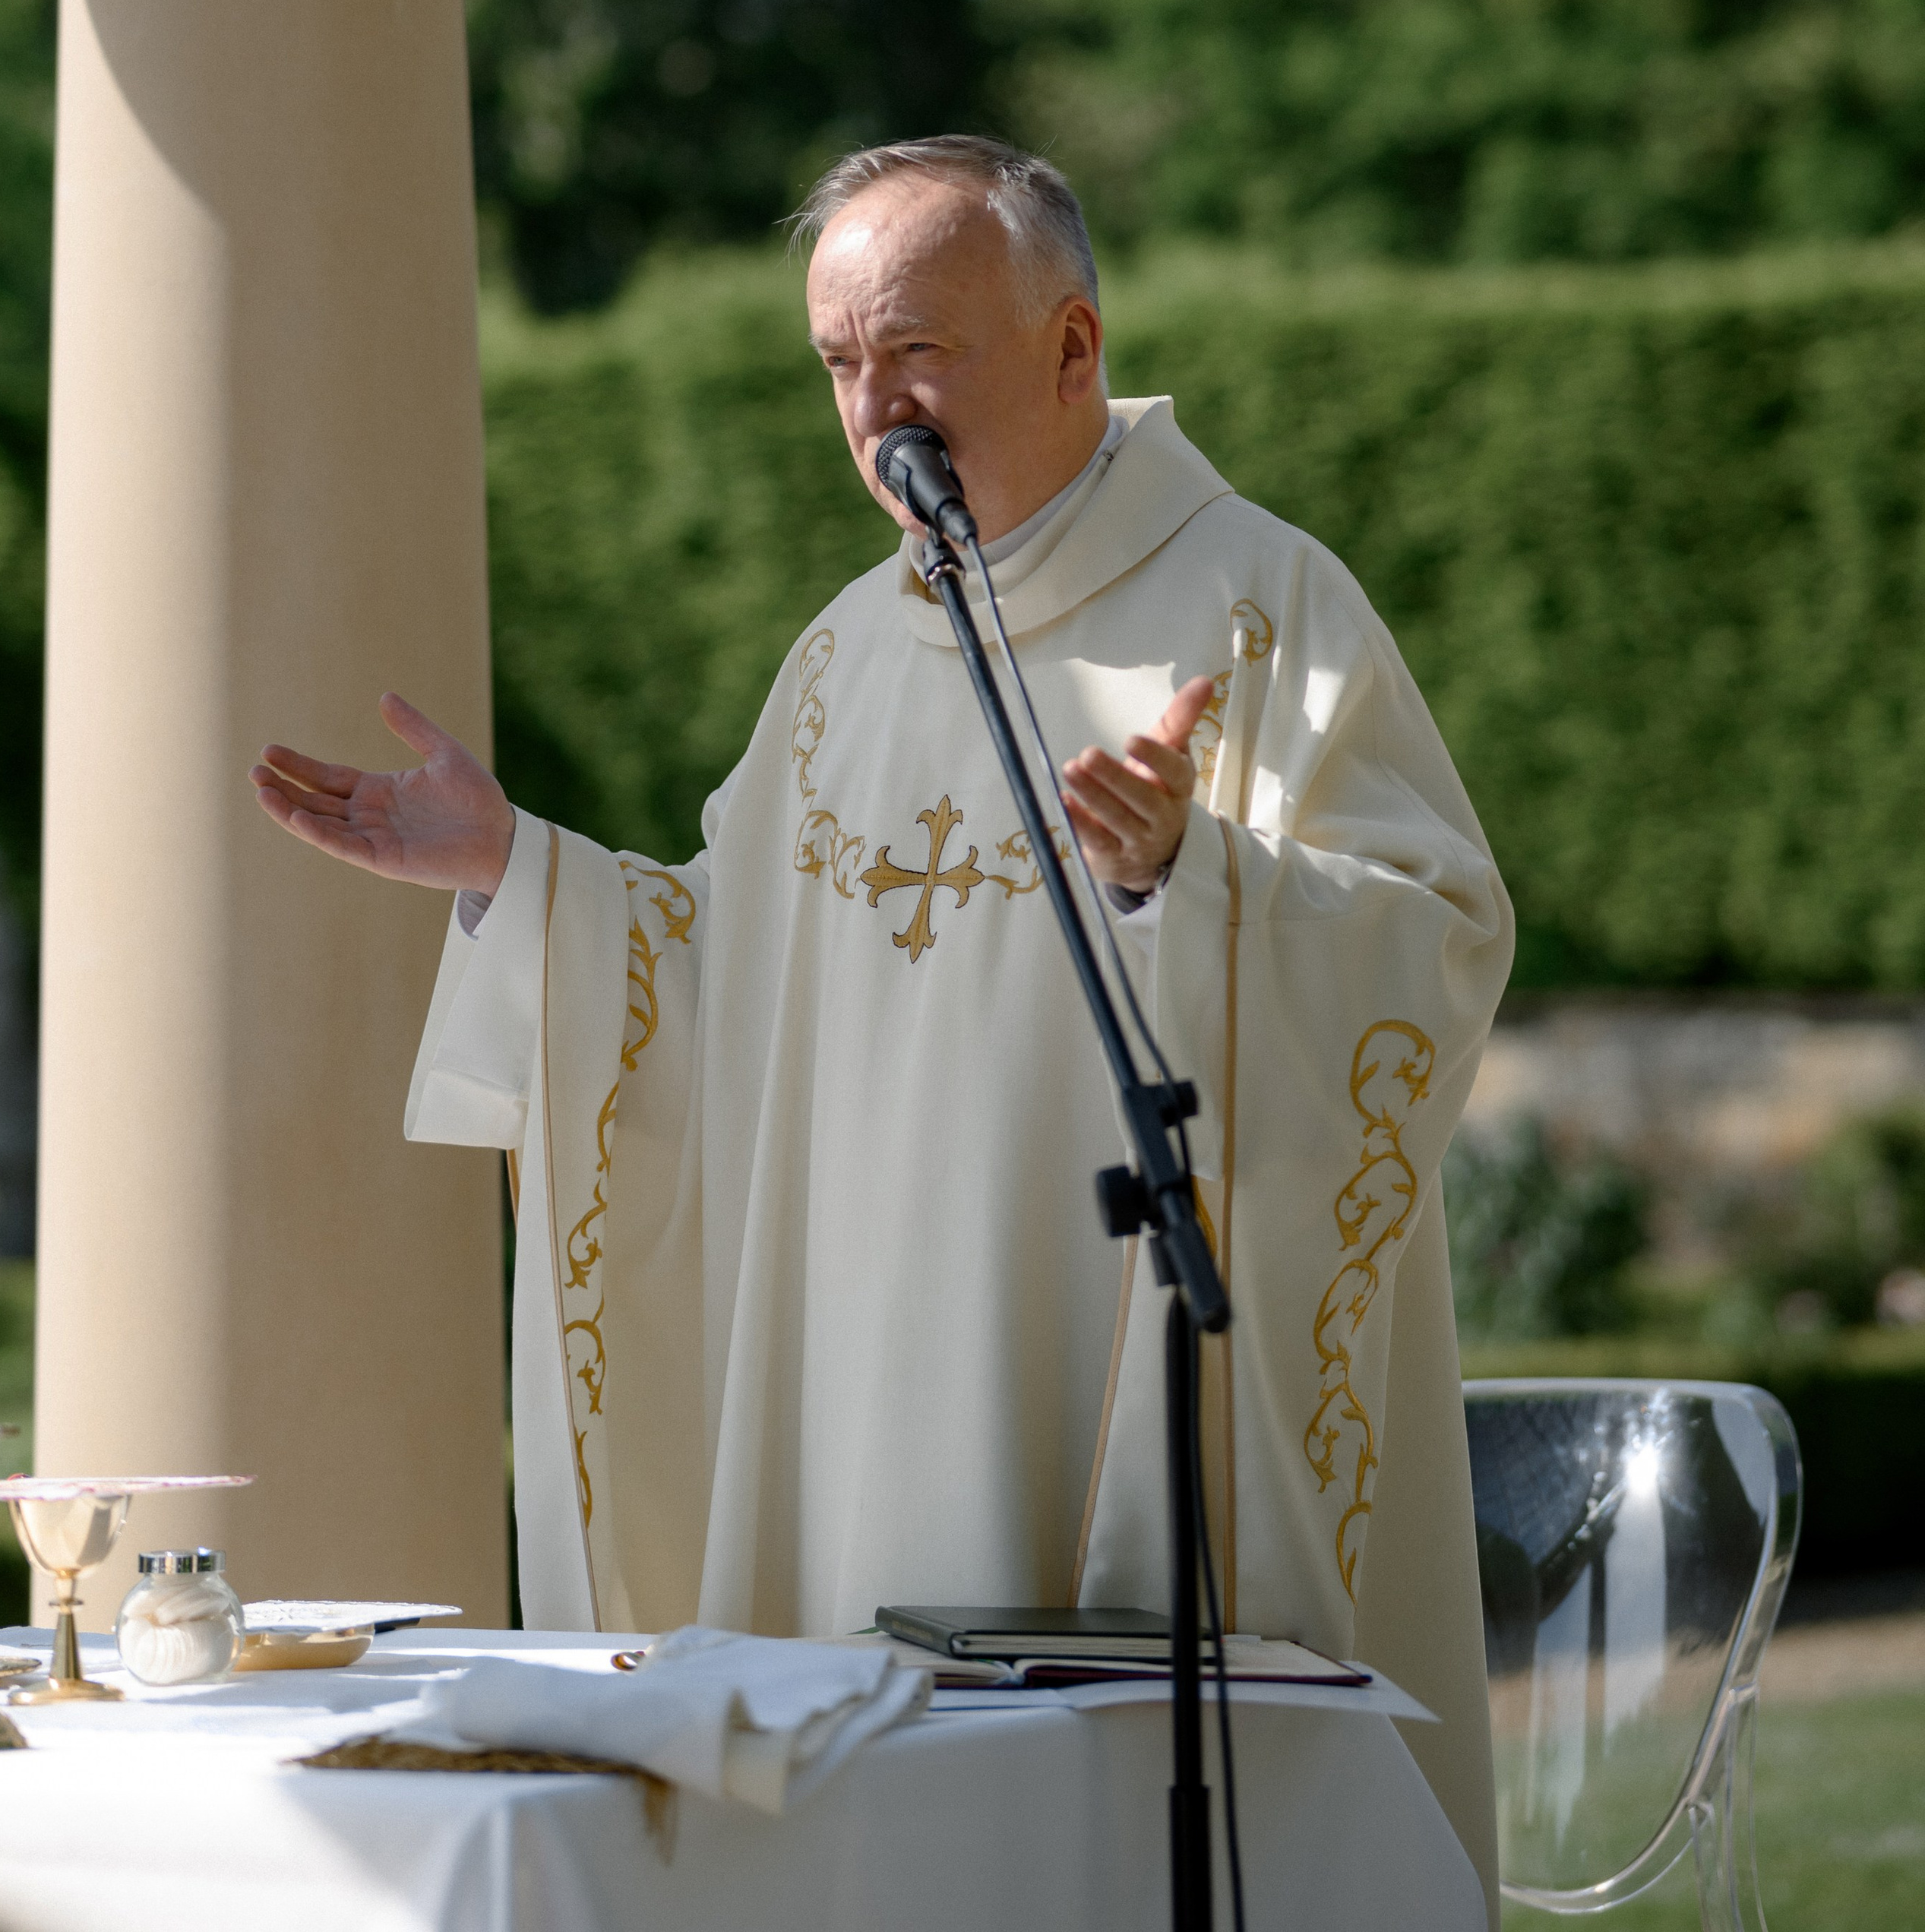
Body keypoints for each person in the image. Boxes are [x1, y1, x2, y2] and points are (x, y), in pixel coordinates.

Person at [253, 135, 1511, 1900]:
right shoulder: (842, 658)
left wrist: (1192, 880)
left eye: (914, 349)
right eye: (841, 363)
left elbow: (1432, 941)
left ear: (1072, 347)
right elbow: (712, 977)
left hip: (1110, 1387)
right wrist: (525, 877)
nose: (873, 405)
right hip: (854, 1415)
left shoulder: (1259, 606)